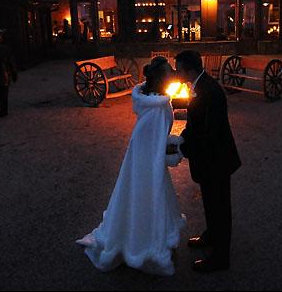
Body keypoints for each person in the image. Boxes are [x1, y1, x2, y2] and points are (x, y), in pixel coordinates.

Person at [77, 56, 186, 276]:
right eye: (169, 73)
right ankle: (141, 244)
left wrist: (166, 147)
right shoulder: (156, 109)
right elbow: (148, 142)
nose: (173, 75)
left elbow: (151, 141)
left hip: (146, 164)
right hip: (147, 168)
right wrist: (166, 155)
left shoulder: (157, 102)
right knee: (145, 200)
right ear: (159, 79)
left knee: (143, 198)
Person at [172, 50, 241, 272]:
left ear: (191, 70)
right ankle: (211, 236)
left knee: (220, 207)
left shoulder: (210, 91)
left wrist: (184, 148)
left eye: (179, 69)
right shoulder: (199, 86)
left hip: (217, 159)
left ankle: (221, 258)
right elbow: (195, 124)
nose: (176, 73)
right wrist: (181, 139)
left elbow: (210, 133)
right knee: (210, 202)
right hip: (210, 158)